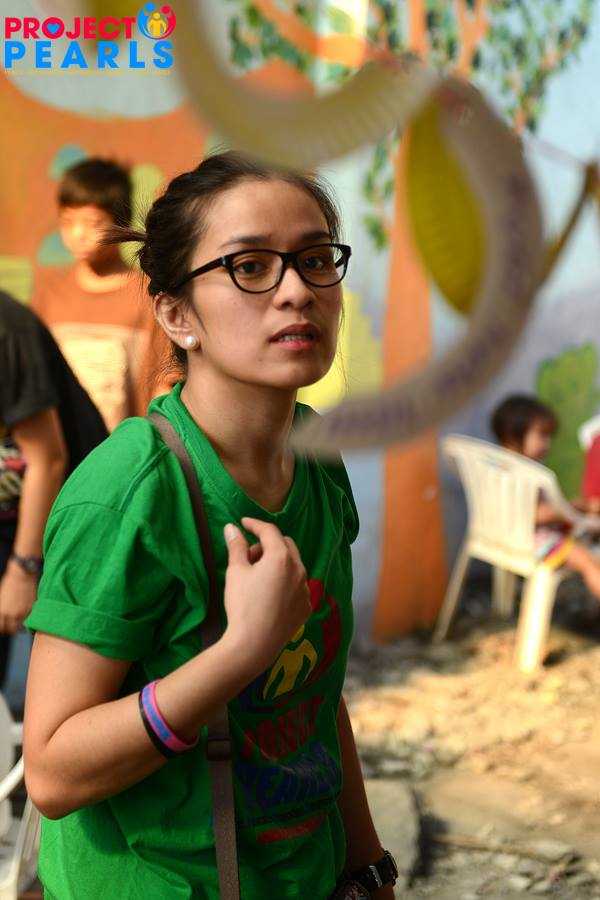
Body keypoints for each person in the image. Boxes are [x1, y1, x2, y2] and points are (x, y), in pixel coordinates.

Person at [23, 151, 397, 899]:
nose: (297, 290)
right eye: (250, 266)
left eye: (316, 259)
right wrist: (239, 654)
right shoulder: (128, 493)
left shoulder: (315, 459)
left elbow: (317, 698)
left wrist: (367, 868)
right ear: (177, 315)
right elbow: (53, 774)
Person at [0, 290, 107, 693]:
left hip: (49, 531)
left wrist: (22, 570)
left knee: (53, 690)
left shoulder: (7, 329)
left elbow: (48, 459)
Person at [31, 157, 171, 432]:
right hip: (66, 447)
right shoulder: (50, 292)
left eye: (93, 223)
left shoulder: (147, 294)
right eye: (68, 221)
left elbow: (162, 384)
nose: (78, 233)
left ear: (122, 223)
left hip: (126, 446)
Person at [491, 394, 600, 595]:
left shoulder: (498, 467)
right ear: (513, 435)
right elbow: (534, 515)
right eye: (542, 435)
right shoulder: (521, 473)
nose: (548, 443)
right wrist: (571, 508)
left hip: (507, 537)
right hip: (532, 542)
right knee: (587, 561)